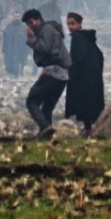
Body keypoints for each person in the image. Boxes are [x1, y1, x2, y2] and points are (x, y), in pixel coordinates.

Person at [23, 8, 70, 138]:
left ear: (38, 19)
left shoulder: (47, 30)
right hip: (62, 75)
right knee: (47, 107)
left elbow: (44, 48)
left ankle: (44, 127)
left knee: (32, 101)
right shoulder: (50, 30)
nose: (30, 26)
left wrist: (31, 39)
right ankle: (46, 136)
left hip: (53, 71)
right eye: (28, 24)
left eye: (31, 23)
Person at [65, 12, 105, 136]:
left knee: (84, 103)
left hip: (83, 79)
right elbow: (100, 56)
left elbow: (78, 58)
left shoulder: (77, 38)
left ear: (79, 24)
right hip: (93, 78)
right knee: (91, 103)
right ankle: (89, 127)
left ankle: (88, 128)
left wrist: (72, 73)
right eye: (68, 24)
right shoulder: (88, 38)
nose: (70, 27)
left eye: (73, 23)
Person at [2, 11, 30, 76]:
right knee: (10, 63)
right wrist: (4, 48)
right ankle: (13, 73)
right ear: (13, 17)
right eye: (15, 16)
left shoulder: (23, 27)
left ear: (20, 17)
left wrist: (27, 49)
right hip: (10, 49)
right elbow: (5, 37)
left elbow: (27, 38)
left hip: (20, 49)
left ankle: (19, 73)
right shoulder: (9, 26)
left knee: (19, 62)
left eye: (18, 16)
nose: (16, 18)